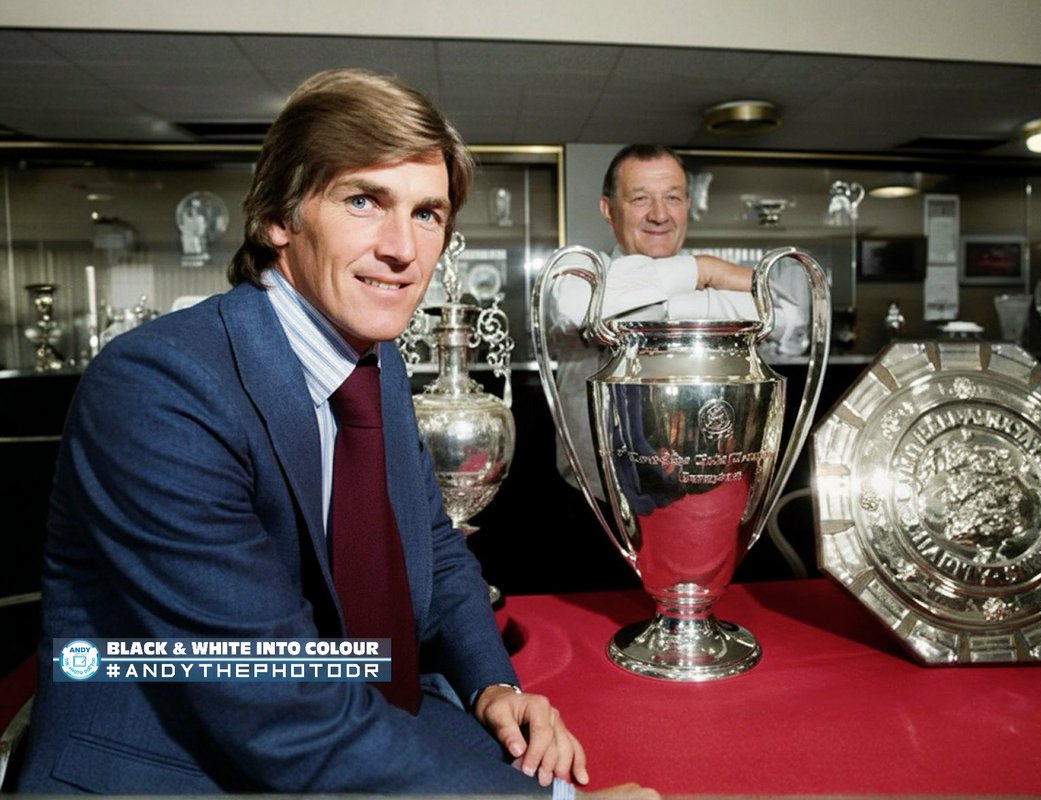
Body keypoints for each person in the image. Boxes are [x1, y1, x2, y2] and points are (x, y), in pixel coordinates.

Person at [15, 68, 656, 799]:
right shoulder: (161, 386)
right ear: (278, 218)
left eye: (427, 213)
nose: (403, 249)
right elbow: (278, 707)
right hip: (186, 767)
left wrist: (491, 686)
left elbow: (435, 548)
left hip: (355, 723)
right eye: (363, 201)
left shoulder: (371, 365)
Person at [544, 144, 804, 501]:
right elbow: (573, 307)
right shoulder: (584, 274)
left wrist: (669, 302)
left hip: (701, 496)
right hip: (593, 502)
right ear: (608, 209)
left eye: (673, 198)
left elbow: (789, 319)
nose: (659, 215)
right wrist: (703, 271)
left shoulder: (606, 288)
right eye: (640, 199)